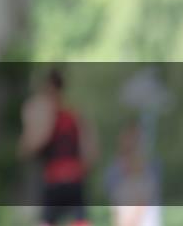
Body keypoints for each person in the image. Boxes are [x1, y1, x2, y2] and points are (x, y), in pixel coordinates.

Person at [18, 68, 98, 226]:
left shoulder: (44, 112)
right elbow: (91, 154)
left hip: (54, 181)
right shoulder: (75, 115)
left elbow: (29, 147)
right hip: (74, 181)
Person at [105, 121, 162, 226]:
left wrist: (132, 220)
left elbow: (145, 196)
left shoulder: (151, 165)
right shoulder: (114, 168)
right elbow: (114, 201)